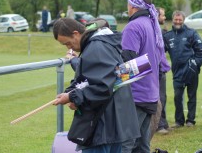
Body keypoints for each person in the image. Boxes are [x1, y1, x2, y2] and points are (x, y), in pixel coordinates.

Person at [52, 18, 140, 152]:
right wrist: (71, 92)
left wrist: (73, 97)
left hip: (102, 126)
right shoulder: (100, 44)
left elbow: (102, 87)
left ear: (76, 33)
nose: (69, 48)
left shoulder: (96, 47)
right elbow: (89, 79)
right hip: (112, 125)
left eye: (68, 43)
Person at [121, 0, 163, 153]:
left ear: (132, 4)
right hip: (151, 94)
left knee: (126, 144)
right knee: (142, 145)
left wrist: (107, 82)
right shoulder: (151, 23)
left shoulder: (133, 27)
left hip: (137, 96)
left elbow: (128, 62)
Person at [163, 10, 202, 128]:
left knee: (191, 96)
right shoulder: (167, 36)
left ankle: (190, 121)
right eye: (176, 19)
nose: (178, 21)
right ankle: (179, 121)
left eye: (180, 20)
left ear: (183, 20)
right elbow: (160, 52)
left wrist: (195, 64)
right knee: (177, 97)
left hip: (191, 71)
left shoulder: (191, 33)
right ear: (172, 20)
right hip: (177, 72)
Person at [155, 7, 170, 134]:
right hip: (156, 69)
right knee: (158, 97)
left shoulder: (160, 30)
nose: (164, 18)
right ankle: (159, 125)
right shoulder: (153, 30)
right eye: (163, 15)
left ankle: (163, 122)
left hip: (161, 68)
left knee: (163, 97)